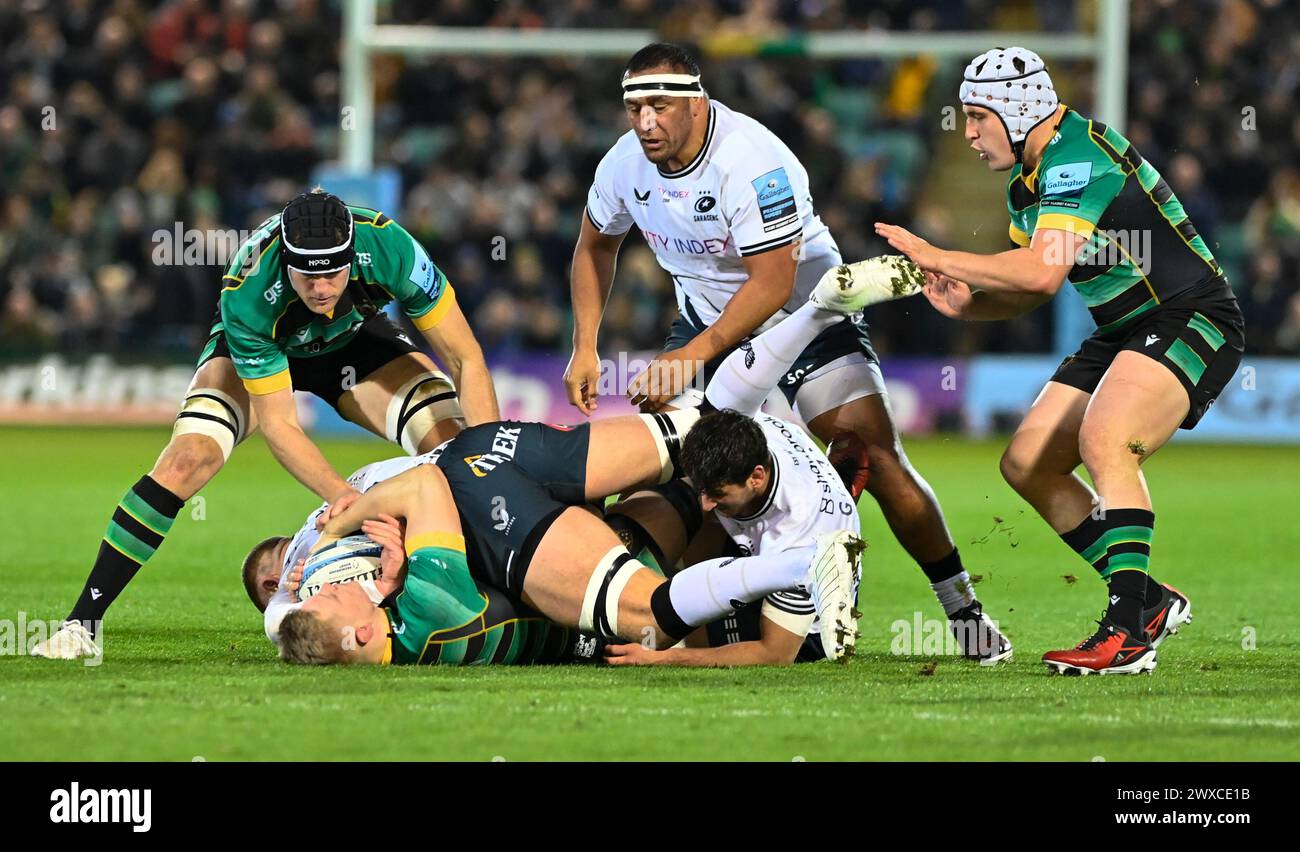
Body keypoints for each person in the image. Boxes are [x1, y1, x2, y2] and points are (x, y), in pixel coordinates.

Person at [564, 42, 1010, 666]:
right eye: (634, 108)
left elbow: (771, 282)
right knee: (683, 470)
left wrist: (693, 354)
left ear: (697, 101)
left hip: (804, 315)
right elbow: (592, 247)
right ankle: (684, 620)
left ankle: (962, 611)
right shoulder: (623, 163)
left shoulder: (752, 160)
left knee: (873, 455)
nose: (645, 123)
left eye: (660, 106)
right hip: (705, 322)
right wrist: (584, 345)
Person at [875, 47, 1244, 675]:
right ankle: (1148, 600)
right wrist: (970, 307)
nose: (965, 134)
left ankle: (1128, 632)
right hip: (1122, 330)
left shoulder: (1076, 154)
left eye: (975, 116)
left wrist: (936, 254)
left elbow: (1043, 274)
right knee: (1027, 463)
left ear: (1018, 112)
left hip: (1190, 315)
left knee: (1107, 440)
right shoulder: (1028, 182)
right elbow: (1026, 288)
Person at [33, 189, 498, 660]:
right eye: (306, 276)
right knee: (188, 459)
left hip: (354, 343)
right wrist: (346, 499)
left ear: (351, 257)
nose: (320, 289)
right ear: (286, 260)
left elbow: (466, 358)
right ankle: (82, 623)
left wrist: (491, 459)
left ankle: (485, 592)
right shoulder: (250, 288)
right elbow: (281, 426)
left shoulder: (389, 247)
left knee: (456, 448)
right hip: (266, 349)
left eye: (333, 274)